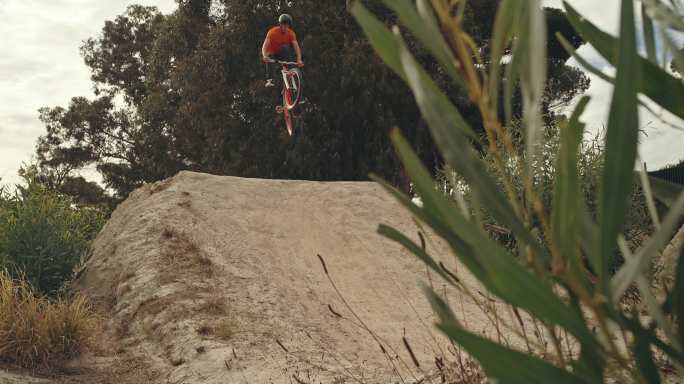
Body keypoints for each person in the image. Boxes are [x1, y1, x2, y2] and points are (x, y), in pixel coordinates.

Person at [261, 14, 304, 87]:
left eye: (287, 26)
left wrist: (299, 59)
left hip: (280, 52)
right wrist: (264, 55)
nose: (285, 27)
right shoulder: (272, 32)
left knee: (285, 48)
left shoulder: (291, 33)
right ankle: (269, 80)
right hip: (271, 53)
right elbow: (264, 46)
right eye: (284, 25)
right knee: (268, 57)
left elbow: (296, 47)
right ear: (280, 25)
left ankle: (288, 71)